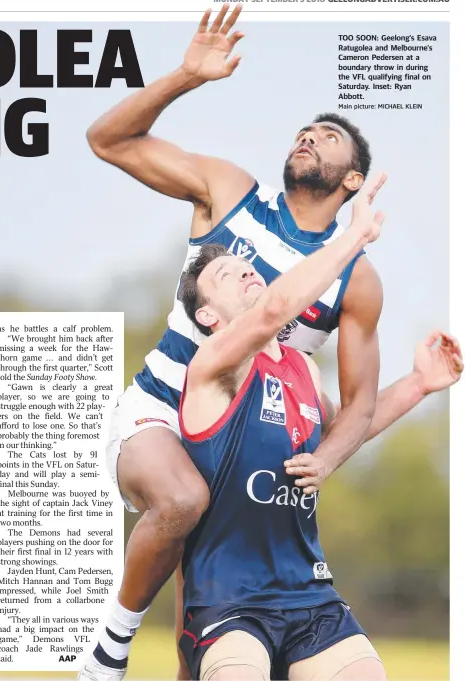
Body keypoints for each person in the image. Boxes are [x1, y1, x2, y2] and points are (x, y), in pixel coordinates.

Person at [81, 5, 388, 678]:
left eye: (328, 136)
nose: (309, 136)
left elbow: (358, 404)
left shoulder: (356, 281)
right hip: (162, 412)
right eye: (305, 130)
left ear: (354, 180)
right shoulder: (229, 193)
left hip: (239, 444)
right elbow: (106, 140)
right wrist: (185, 77)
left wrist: (328, 459)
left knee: (209, 640)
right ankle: (110, 644)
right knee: (181, 498)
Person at [174, 184, 459, 680]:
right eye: (225, 274)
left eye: (245, 266)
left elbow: (352, 427)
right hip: (230, 602)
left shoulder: (301, 369)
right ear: (208, 316)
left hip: (310, 596)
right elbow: (272, 312)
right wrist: (354, 236)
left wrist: (419, 384)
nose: (244, 269)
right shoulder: (212, 365)